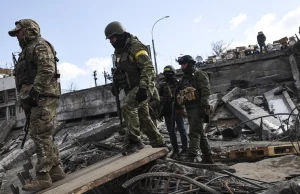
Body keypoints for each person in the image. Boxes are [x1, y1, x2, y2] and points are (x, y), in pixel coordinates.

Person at [8, 19, 65, 191]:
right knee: (44, 134)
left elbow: (47, 69)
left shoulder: (39, 46)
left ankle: (43, 176)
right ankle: (55, 170)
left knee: (39, 134)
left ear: (29, 30)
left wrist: (35, 92)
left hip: (42, 97)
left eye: (19, 32)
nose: (17, 36)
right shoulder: (27, 50)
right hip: (35, 99)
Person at [105, 21, 165, 155]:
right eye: (109, 39)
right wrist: (116, 86)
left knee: (128, 106)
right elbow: (122, 72)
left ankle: (135, 141)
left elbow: (148, 68)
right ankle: (158, 141)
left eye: (112, 38)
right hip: (132, 88)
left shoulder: (136, 47)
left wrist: (143, 88)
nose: (111, 42)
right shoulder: (120, 53)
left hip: (144, 86)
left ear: (120, 35)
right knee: (144, 118)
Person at [176, 55, 214, 164]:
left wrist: (204, 106)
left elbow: (205, 90)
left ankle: (191, 156)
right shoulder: (184, 79)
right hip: (190, 108)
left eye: (184, 64)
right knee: (200, 133)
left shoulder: (199, 74)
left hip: (199, 107)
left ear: (190, 63)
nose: (182, 67)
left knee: (194, 133)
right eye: (181, 65)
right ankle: (207, 157)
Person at [159, 65, 188, 159]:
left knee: (182, 129)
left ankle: (185, 149)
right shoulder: (162, 85)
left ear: (173, 73)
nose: (168, 75)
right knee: (171, 132)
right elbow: (160, 98)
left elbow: (184, 96)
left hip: (177, 109)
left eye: (170, 73)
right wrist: (161, 111)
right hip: (167, 110)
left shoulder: (178, 83)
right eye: (166, 73)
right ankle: (175, 150)